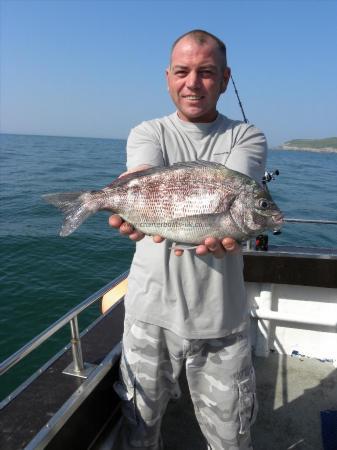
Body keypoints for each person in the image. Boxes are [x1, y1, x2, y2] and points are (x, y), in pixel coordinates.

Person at [109, 29, 267, 450]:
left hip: (222, 321)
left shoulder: (246, 137)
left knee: (232, 438)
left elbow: (237, 199)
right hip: (148, 314)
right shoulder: (147, 132)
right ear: (167, 77)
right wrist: (131, 201)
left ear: (225, 77)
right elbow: (145, 176)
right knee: (139, 430)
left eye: (206, 72)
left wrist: (231, 225)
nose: (192, 83)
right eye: (182, 71)